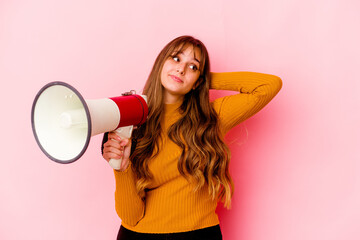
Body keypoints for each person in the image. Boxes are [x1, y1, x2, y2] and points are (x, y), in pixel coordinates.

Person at [102, 35, 282, 240]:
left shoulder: (211, 118)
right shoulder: (131, 119)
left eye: (193, 66)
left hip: (198, 234)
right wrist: (122, 169)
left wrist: (203, 79)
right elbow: (130, 216)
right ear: (161, 63)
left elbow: (269, 85)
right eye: (176, 59)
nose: (181, 69)